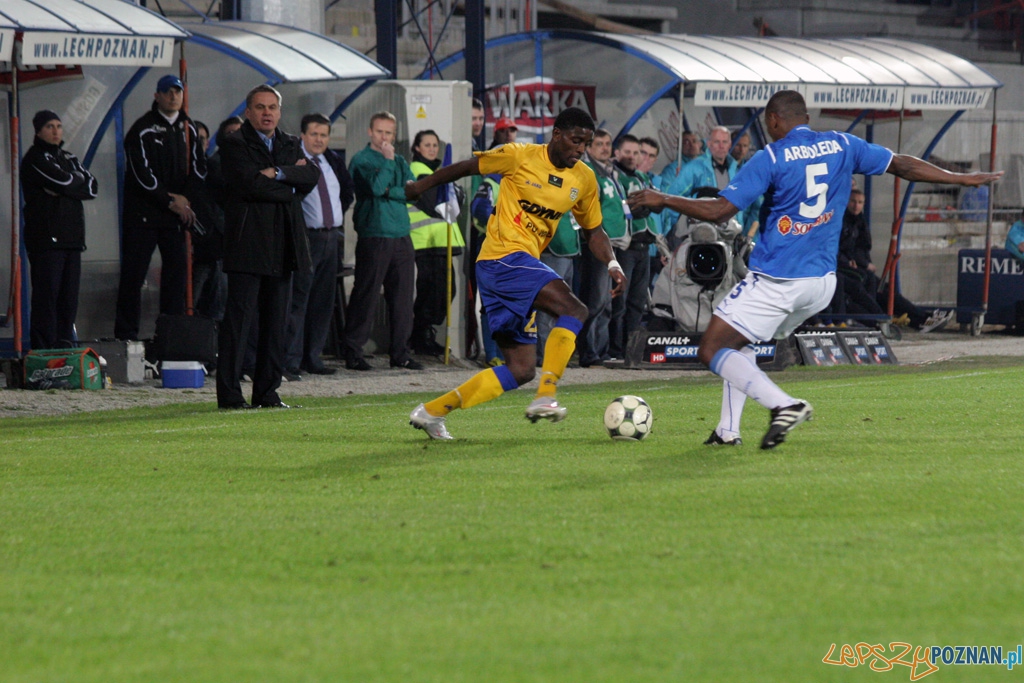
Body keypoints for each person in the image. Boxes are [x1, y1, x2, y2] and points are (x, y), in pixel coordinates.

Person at [628, 89, 1000, 449]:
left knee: (711, 349)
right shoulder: (842, 144)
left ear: (773, 121)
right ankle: (727, 430)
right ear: (806, 119)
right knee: (738, 340)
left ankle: (783, 404)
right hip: (821, 283)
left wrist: (663, 199)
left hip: (779, 278)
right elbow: (900, 163)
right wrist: (959, 179)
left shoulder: (771, 157)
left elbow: (720, 210)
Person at [405, 107, 626, 440]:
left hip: (509, 268)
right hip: (503, 257)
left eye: (586, 143)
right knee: (575, 309)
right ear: (557, 134)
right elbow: (466, 166)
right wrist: (421, 186)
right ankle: (547, 395)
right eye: (576, 141)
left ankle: (432, 412)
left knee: (521, 369)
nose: (581, 149)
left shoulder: (583, 178)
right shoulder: (518, 156)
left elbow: (594, 231)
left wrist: (612, 263)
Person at [215, 84, 320, 410]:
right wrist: (289, 186)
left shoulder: (289, 143)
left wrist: (276, 173)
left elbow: (311, 177)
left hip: (283, 246)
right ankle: (230, 396)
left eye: (272, 107)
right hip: (247, 244)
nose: (266, 113)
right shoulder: (233, 143)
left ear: (279, 111)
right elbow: (247, 184)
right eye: (260, 107)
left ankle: (267, 393)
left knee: (276, 324)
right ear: (248, 112)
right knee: (239, 324)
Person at [115, 74, 206, 340]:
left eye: (177, 91)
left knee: (176, 279)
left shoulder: (188, 128)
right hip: (143, 217)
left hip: (175, 218)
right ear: (157, 95)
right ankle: (126, 336)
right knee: (134, 277)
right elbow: (141, 175)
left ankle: (171, 337)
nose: (173, 96)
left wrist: (185, 199)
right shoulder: (142, 130)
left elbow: (199, 169)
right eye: (167, 92)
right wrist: (170, 200)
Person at [343, 111, 423, 372]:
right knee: (365, 295)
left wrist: (392, 190)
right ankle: (353, 353)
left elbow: (413, 193)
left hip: (401, 235)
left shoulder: (400, 160)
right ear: (370, 131)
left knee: (402, 299)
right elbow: (376, 188)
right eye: (380, 132)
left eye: (389, 133)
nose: (384, 137)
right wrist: (388, 167)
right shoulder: (362, 160)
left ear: (394, 134)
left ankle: (400, 353)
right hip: (374, 234)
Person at [283, 113, 355, 381]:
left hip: (330, 237)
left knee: (323, 302)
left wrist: (333, 220)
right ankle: (290, 360)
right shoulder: (295, 160)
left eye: (324, 135)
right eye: (314, 134)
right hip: (306, 238)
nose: (319, 139)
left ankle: (313, 358)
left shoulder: (332, 161)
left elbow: (346, 192)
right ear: (303, 135)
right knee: (298, 299)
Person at [20, 110, 98, 350]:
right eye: (49, 127)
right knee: (47, 298)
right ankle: (44, 351)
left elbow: (92, 187)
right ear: (38, 131)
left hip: (72, 239)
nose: (55, 131)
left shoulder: (69, 157)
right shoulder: (35, 158)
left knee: (68, 300)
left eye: (58, 126)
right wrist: (72, 184)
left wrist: (67, 184)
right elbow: (65, 182)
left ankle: (65, 349)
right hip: (46, 239)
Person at [407, 129, 465, 356]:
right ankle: (419, 337)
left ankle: (423, 335)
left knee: (443, 291)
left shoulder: (437, 172)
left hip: (441, 243)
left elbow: (457, 200)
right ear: (417, 148)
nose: (432, 149)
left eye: (434, 145)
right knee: (431, 293)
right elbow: (435, 204)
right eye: (427, 145)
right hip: (426, 243)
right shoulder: (418, 170)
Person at [577, 128, 630, 367]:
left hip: (615, 243)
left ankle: (601, 350)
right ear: (588, 148)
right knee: (596, 299)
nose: (605, 148)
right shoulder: (588, 173)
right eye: (599, 144)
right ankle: (586, 351)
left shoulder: (610, 172)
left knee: (607, 302)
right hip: (598, 244)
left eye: (608, 143)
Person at [610, 134, 659, 359]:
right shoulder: (615, 176)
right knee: (620, 301)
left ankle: (632, 350)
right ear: (617, 153)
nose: (632, 157)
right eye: (627, 152)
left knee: (638, 302)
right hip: (626, 247)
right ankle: (616, 349)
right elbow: (629, 207)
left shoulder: (641, 177)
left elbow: (652, 206)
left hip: (644, 247)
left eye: (635, 152)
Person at [192, 116, 242, 322]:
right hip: (205, 247)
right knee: (195, 304)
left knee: (219, 303)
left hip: (222, 247)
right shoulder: (214, 166)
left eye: (203, 139)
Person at [660, 126, 737, 232]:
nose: (721, 146)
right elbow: (673, 198)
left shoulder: (735, 169)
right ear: (709, 144)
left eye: (724, 142)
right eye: (716, 142)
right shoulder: (694, 168)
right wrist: (681, 229)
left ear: (730, 144)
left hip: (729, 232)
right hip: (702, 233)